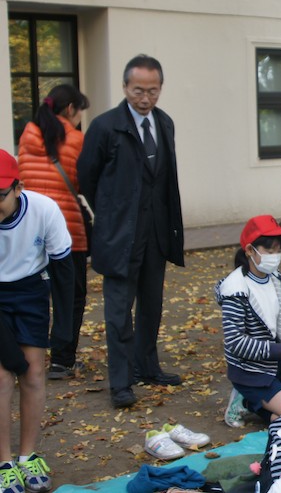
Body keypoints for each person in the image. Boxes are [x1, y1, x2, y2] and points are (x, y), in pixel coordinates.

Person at [77, 54, 184, 408]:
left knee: (152, 305)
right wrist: (110, 213)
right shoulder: (105, 127)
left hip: (156, 234)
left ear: (160, 89)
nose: (145, 98)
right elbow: (87, 176)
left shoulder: (164, 123)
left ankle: (147, 366)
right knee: (119, 313)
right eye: (138, 90)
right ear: (125, 87)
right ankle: (121, 383)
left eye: (153, 91)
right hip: (119, 236)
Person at [1, 149, 73, 493]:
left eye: (0, 194)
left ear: (18, 188)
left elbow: (64, 271)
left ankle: (27, 455)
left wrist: (64, 330)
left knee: (33, 373)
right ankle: (3, 463)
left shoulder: (44, 210)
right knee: (2, 376)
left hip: (31, 290)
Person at [218, 215, 281, 428]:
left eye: (278, 250)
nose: (275, 256)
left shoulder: (275, 278)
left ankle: (252, 403)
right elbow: (236, 343)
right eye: (269, 250)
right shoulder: (234, 288)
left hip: (280, 364)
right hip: (251, 372)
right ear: (250, 250)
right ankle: (248, 401)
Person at [17, 84, 91, 379]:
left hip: (29, 231)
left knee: (29, 295)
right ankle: (62, 360)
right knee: (70, 296)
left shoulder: (27, 135)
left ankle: (23, 359)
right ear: (70, 109)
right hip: (66, 230)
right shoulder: (76, 139)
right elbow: (83, 182)